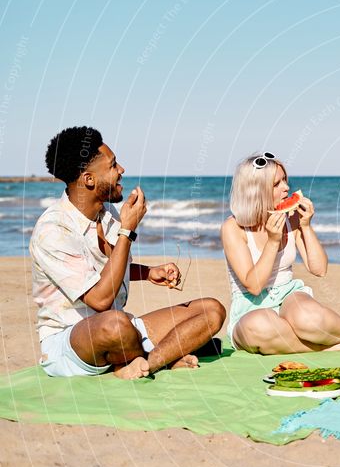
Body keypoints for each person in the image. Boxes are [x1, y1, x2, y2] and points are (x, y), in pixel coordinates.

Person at [30, 126, 226, 380]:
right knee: (114, 324)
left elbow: (105, 270)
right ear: (88, 179)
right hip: (70, 340)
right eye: (112, 166)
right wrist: (127, 231)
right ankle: (154, 356)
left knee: (211, 309)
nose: (121, 170)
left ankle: (148, 362)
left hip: (123, 328)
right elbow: (100, 299)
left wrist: (148, 273)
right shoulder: (52, 231)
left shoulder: (107, 213)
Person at [221, 152, 340, 354]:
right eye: (277, 184)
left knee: (309, 318)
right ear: (256, 190)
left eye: (285, 180)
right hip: (250, 307)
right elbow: (254, 285)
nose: (286, 187)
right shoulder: (233, 228)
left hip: (289, 295)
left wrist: (306, 226)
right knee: (259, 326)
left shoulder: (290, 218)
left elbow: (319, 269)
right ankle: (326, 347)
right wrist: (273, 241)